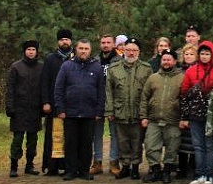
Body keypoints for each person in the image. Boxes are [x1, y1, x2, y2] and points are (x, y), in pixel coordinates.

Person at [54, 39, 105, 181]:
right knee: (71, 143)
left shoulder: (97, 67)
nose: (83, 51)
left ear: (90, 50)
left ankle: (84, 170)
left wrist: (99, 111)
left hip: (89, 113)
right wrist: (60, 109)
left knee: (86, 144)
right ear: (76, 49)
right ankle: (70, 170)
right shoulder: (66, 66)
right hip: (70, 113)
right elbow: (58, 89)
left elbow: (101, 91)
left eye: (86, 48)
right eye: (81, 48)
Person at [106, 37, 154, 179]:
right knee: (122, 141)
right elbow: (109, 91)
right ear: (123, 50)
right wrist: (110, 110)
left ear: (139, 52)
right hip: (120, 111)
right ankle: (125, 167)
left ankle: (135, 168)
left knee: (136, 141)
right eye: (128, 50)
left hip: (138, 111)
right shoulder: (114, 68)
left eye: (134, 50)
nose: (131, 53)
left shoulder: (146, 68)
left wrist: (146, 113)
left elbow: (150, 92)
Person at [140, 48, 185, 183]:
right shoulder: (153, 78)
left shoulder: (182, 78)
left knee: (172, 147)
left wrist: (183, 117)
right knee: (150, 146)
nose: (166, 62)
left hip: (173, 120)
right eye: (164, 59)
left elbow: (186, 99)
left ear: (175, 61)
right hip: (153, 120)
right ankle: (155, 171)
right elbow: (144, 98)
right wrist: (143, 116)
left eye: (169, 60)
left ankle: (167, 171)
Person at [181, 40, 213, 184]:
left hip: (212, 114)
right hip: (195, 114)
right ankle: (200, 174)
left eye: (207, 53)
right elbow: (184, 93)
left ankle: (210, 174)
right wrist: (185, 116)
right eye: (202, 53)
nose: (204, 56)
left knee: (210, 145)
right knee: (198, 146)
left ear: (212, 55)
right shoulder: (191, 71)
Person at [6, 39, 44, 178]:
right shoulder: (15, 67)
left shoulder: (41, 67)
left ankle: (29, 165)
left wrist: (44, 105)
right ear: (24, 51)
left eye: (33, 50)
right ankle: (14, 166)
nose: (31, 52)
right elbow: (10, 88)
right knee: (17, 139)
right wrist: (9, 107)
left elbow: (44, 87)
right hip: (19, 109)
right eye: (29, 50)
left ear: (36, 51)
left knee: (32, 140)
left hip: (35, 110)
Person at [41, 28, 73, 175]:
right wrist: (45, 101)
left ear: (71, 41)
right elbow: (44, 82)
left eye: (67, 39)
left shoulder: (75, 58)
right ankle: (52, 166)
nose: (64, 42)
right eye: (62, 40)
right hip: (54, 105)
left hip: (72, 105)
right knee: (54, 136)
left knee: (70, 136)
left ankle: (68, 166)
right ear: (58, 42)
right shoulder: (50, 59)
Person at [92, 34, 123, 176]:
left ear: (113, 45)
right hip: (97, 102)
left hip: (114, 102)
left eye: (108, 42)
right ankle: (97, 162)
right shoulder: (94, 61)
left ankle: (113, 162)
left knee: (114, 134)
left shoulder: (120, 61)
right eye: (103, 42)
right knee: (96, 134)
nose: (105, 45)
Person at [178, 43, 199, 179]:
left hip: (196, 109)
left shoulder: (199, 70)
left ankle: (192, 166)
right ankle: (182, 167)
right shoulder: (178, 70)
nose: (189, 56)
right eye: (186, 54)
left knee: (193, 141)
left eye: (191, 54)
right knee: (181, 141)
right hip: (180, 108)